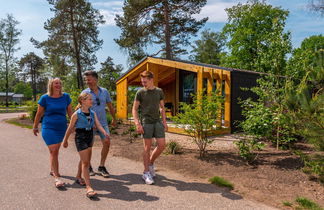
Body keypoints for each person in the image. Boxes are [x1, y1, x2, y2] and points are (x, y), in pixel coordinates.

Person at [63, 92, 109, 198]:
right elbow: (70, 128)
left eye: (91, 99)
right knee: (86, 162)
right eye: (89, 99)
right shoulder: (76, 114)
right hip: (81, 137)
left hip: (90, 136)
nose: (92, 101)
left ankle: (79, 176)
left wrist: (104, 132)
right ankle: (88, 187)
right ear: (83, 101)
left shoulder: (93, 113)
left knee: (84, 159)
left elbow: (97, 124)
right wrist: (65, 140)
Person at [33, 78, 73, 188]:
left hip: (61, 127)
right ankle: (57, 178)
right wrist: (35, 126)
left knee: (54, 151)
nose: (58, 85)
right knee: (54, 151)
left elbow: (70, 112)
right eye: (56, 83)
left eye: (60, 83)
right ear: (51, 84)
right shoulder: (45, 98)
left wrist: (73, 124)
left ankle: (52, 169)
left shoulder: (66, 97)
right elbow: (39, 113)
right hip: (48, 127)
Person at [132, 70, 168, 185]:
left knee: (162, 145)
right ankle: (146, 172)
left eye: (145, 81)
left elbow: (162, 108)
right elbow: (134, 109)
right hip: (146, 122)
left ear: (151, 80)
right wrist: (137, 123)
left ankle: (151, 163)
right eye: (142, 82)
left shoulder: (159, 91)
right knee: (147, 148)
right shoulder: (140, 92)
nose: (143, 84)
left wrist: (164, 122)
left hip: (157, 121)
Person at [82, 70, 116, 177]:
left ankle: (102, 166)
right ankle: (89, 166)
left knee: (107, 142)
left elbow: (110, 106)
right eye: (86, 80)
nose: (87, 82)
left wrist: (114, 119)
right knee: (89, 146)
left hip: (103, 123)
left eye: (89, 80)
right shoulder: (84, 93)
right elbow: (80, 108)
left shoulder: (104, 91)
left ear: (96, 79)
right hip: (89, 123)